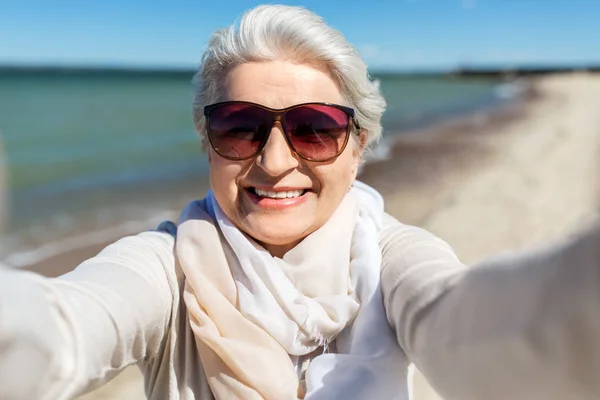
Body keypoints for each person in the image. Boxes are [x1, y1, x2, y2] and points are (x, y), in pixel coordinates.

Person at [0, 5, 599, 400]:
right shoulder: (167, 266)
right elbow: (62, 332)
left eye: (316, 128)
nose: (276, 161)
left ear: (359, 146)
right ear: (207, 141)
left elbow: (484, 333)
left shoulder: (393, 261)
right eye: (240, 126)